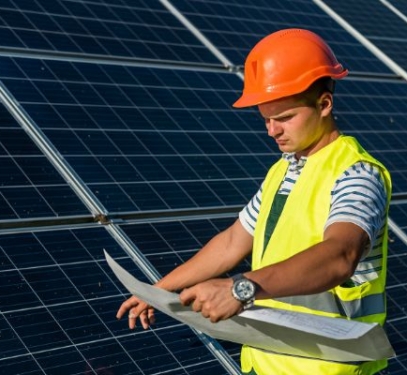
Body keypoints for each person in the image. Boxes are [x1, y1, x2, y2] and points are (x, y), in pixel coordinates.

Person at [116, 28, 392, 375]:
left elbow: (340, 256)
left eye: (285, 117)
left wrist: (241, 288)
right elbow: (232, 242)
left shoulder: (356, 174)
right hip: (267, 363)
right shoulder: (284, 171)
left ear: (324, 105)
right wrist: (158, 291)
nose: (271, 131)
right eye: (265, 118)